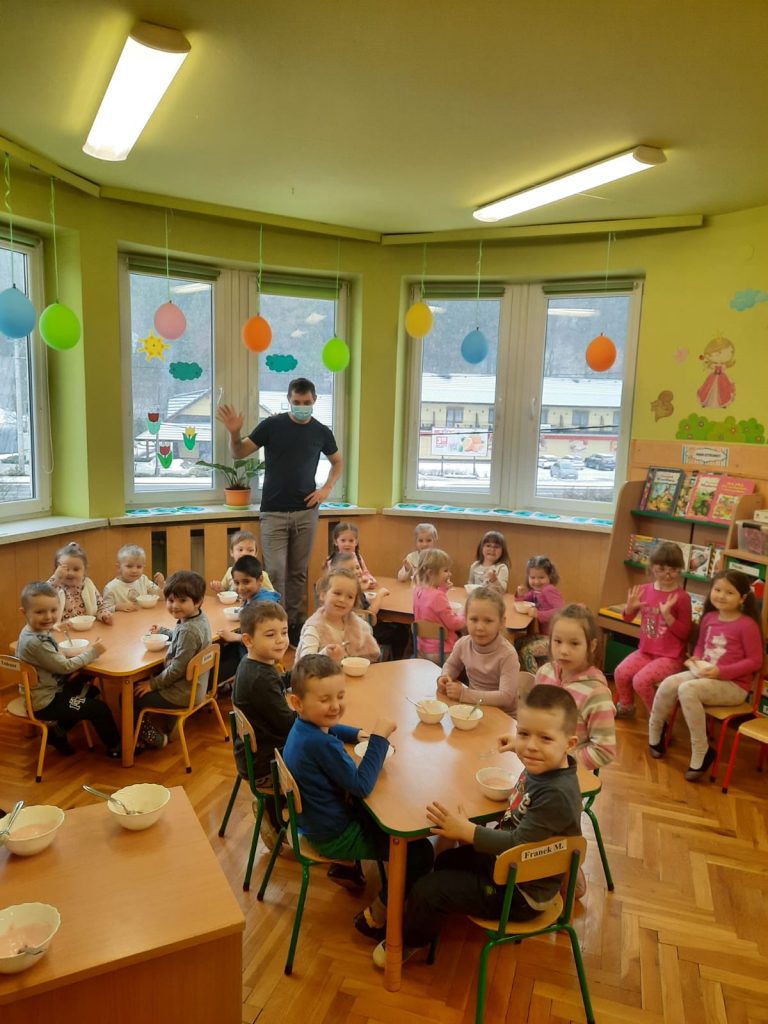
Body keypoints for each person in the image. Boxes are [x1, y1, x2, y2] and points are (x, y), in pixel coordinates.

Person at [372, 685, 581, 967]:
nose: (530, 746)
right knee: (445, 860)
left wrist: (466, 831)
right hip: (509, 867)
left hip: (521, 893)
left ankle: (407, 944)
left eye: (544, 738)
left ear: (569, 744)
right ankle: (426, 918)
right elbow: (537, 756)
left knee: (430, 890)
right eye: (524, 733)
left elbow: (519, 845)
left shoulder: (556, 793)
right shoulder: (547, 764)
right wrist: (521, 744)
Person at [283, 654, 433, 939]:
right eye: (325, 699)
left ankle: (348, 871)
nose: (336, 705)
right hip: (332, 835)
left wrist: (358, 734)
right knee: (421, 851)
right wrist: (379, 736)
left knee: (388, 808)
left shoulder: (305, 728)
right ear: (297, 703)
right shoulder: (320, 745)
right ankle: (376, 916)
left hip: (315, 821)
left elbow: (331, 726)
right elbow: (361, 785)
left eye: (340, 696)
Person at [217, 378, 343, 645]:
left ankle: (295, 626)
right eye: (296, 403)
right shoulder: (272, 425)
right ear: (289, 400)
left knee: (298, 573)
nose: (301, 407)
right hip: (273, 512)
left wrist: (326, 489)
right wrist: (233, 432)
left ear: (314, 400)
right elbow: (239, 453)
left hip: (306, 512)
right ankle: (274, 625)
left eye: (306, 403)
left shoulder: (321, 431)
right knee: (274, 574)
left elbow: (337, 462)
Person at [648, 570, 763, 780]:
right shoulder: (709, 617)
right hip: (705, 676)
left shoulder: (747, 625)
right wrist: (695, 659)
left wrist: (721, 671)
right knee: (668, 683)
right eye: (717, 589)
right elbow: (702, 646)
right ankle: (655, 735)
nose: (720, 595)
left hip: (733, 686)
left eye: (729, 592)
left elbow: (755, 661)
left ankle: (702, 751)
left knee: (686, 689)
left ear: (743, 598)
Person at [16, 581, 120, 758]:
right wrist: (93, 652)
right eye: (40, 612)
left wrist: (54, 628)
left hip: (43, 691)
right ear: (24, 612)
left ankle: (58, 729)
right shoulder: (36, 642)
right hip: (45, 702)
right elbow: (65, 667)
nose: (48, 617)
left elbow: (51, 656)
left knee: (90, 689)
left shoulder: (31, 631)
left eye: (53, 611)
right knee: (100, 709)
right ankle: (117, 748)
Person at [232, 601, 294, 849]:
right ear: (248, 640)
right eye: (270, 635)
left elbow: (279, 682)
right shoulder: (260, 677)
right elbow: (289, 726)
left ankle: (275, 807)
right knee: (323, 766)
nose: (280, 640)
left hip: (255, 755)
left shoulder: (256, 665)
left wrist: (305, 673)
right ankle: (275, 814)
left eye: (285, 632)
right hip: (265, 766)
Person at [133, 571, 212, 750]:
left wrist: (152, 685)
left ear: (198, 601)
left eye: (182, 600)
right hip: (196, 686)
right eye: (170, 600)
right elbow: (184, 637)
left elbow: (177, 670)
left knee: (131, 697)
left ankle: (153, 738)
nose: (174, 606)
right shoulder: (198, 618)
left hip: (183, 692)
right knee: (153, 675)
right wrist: (165, 631)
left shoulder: (188, 631)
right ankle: (171, 720)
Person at [613, 542, 692, 718]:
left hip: (670, 657)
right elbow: (627, 618)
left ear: (680, 569)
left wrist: (668, 617)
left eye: (674, 568)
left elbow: (685, 633)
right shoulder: (643, 590)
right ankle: (626, 707)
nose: (668, 574)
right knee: (620, 672)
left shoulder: (682, 598)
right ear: (652, 568)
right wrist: (629, 608)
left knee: (640, 681)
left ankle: (658, 720)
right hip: (646, 651)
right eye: (661, 569)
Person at [533, 605, 616, 770]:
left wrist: (562, 763)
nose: (563, 651)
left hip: (566, 774)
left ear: (591, 646)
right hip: (536, 763)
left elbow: (604, 750)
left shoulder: (596, 694)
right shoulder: (544, 673)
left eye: (574, 643)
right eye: (557, 641)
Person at [437, 586, 520, 714]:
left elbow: (506, 697)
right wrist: (445, 676)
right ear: (465, 619)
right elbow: (451, 665)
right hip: (474, 709)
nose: (480, 627)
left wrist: (464, 694)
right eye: (474, 619)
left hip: (503, 716)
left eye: (488, 621)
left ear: (502, 622)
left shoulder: (508, 654)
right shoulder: (463, 644)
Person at [218, 554, 282, 682]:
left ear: (260, 580)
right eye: (236, 583)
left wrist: (236, 637)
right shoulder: (253, 597)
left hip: (256, 661)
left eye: (246, 582)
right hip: (246, 651)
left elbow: (265, 639)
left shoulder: (264, 606)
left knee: (212, 669)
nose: (240, 588)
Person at [296, 568, 380, 662]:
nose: (342, 600)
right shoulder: (314, 628)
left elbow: (372, 655)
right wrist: (325, 654)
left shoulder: (359, 625)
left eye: (350, 597)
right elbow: (305, 663)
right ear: (323, 595)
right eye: (337, 593)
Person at [514, 555, 565, 674]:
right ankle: (521, 674)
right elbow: (522, 603)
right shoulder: (536, 591)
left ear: (549, 576)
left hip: (555, 638)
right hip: (544, 635)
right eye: (533, 577)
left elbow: (561, 610)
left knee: (526, 651)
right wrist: (520, 594)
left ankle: (536, 681)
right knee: (517, 643)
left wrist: (539, 614)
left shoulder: (549, 590)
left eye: (541, 577)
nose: (536, 581)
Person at [412, 548, 465, 661]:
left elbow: (431, 604)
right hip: (441, 652)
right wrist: (464, 616)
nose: (449, 574)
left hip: (421, 650)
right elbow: (454, 624)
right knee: (468, 647)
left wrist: (443, 589)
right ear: (431, 573)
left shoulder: (418, 590)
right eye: (445, 570)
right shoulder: (438, 596)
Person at [47, 542, 112, 624]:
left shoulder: (87, 585)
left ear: (84, 570)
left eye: (76, 569)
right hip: (62, 631)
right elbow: (41, 594)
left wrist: (104, 615)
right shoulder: (54, 586)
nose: (70, 573)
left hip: (86, 629)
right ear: (56, 570)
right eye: (65, 569)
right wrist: (56, 579)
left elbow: (101, 606)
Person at [209, 530, 276, 595]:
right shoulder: (230, 571)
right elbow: (225, 591)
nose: (244, 553)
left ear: (255, 553)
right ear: (232, 552)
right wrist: (219, 589)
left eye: (250, 550)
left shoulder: (261, 574)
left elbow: (272, 595)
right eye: (240, 549)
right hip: (233, 606)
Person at [103, 544, 165, 612]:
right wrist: (117, 607)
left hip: (142, 619)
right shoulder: (111, 588)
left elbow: (161, 598)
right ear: (118, 567)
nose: (134, 571)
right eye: (129, 566)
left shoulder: (143, 579)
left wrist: (161, 585)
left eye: (139, 567)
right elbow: (103, 610)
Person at [324, 522, 376, 587]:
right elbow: (332, 581)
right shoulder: (332, 560)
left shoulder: (358, 557)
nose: (347, 544)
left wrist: (370, 580)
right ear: (336, 542)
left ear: (356, 542)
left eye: (351, 541)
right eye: (343, 540)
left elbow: (365, 573)